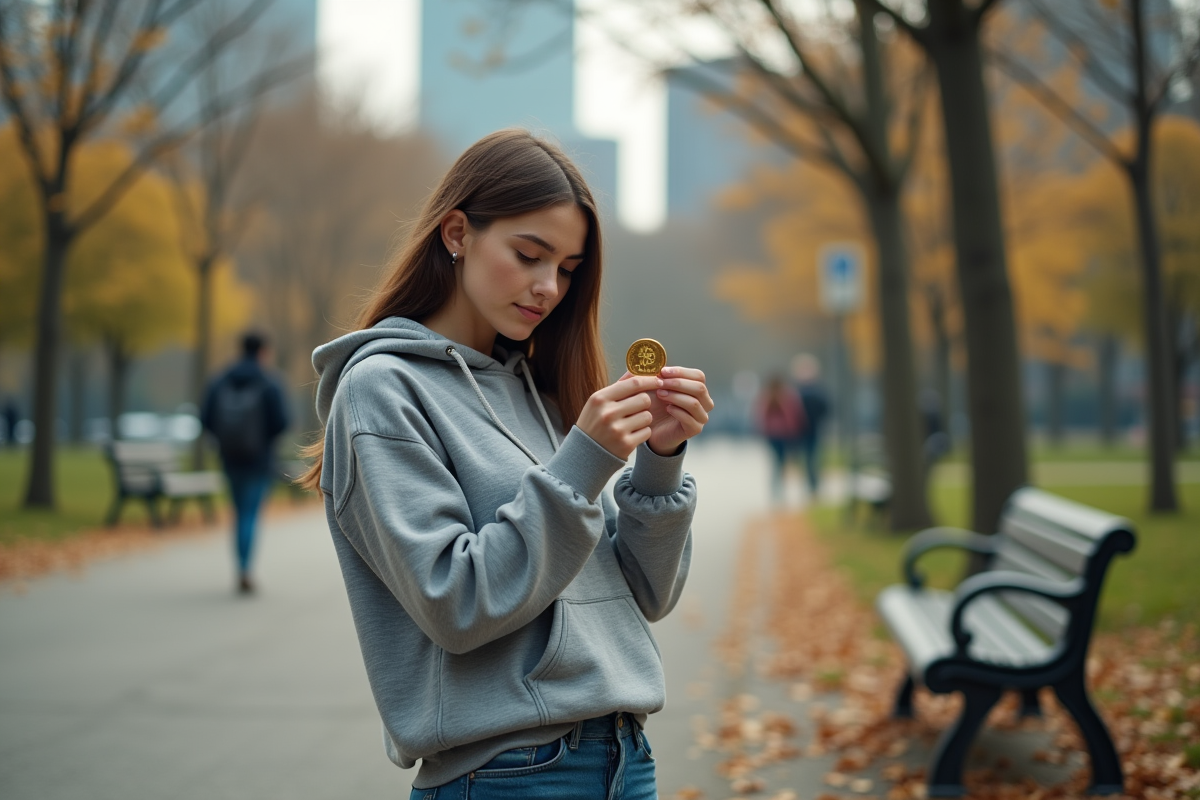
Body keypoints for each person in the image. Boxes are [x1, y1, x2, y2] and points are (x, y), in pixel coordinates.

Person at [298, 129, 713, 800]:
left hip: (626, 761)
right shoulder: (382, 389)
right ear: (457, 233)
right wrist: (584, 461)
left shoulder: (540, 388)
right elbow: (455, 604)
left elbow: (646, 594)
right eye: (528, 254)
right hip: (509, 775)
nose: (549, 286)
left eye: (569, 268)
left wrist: (658, 461)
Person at [201, 331, 290, 594]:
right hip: (259, 460)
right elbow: (281, 422)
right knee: (250, 513)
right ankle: (244, 569)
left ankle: (240, 566)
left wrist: (225, 438)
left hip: (229, 458)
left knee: (238, 512)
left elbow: (205, 417)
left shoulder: (220, 380)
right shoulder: (269, 382)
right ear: (263, 351)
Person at [753, 374, 805, 504]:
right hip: (782, 434)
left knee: (777, 462)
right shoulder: (785, 396)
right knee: (781, 462)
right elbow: (793, 415)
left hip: (774, 434)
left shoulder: (769, 396)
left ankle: (776, 489)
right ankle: (778, 489)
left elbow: (761, 416)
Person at [790, 353, 829, 496]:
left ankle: (812, 485)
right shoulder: (798, 391)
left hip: (810, 430)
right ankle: (811, 485)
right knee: (809, 459)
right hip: (801, 430)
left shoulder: (804, 391)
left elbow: (825, 409)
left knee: (811, 459)